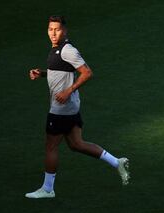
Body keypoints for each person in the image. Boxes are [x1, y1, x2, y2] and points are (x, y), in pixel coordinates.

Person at [25, 15, 130, 199]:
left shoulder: (68, 50)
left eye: (57, 29)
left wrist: (68, 90)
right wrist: (41, 73)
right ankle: (117, 162)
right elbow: (60, 72)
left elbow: (87, 73)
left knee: (51, 147)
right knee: (76, 144)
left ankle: (48, 189)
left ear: (64, 30)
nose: (53, 33)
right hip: (71, 107)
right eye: (50, 29)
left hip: (61, 108)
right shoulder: (56, 49)